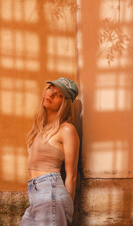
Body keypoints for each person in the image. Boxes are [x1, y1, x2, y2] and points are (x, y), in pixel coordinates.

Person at [19, 77, 80, 226]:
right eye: (51, 88)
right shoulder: (38, 129)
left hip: (51, 192)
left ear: (65, 103)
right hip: (35, 195)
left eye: (59, 95)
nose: (51, 94)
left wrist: (67, 211)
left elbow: (71, 176)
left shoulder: (66, 130)